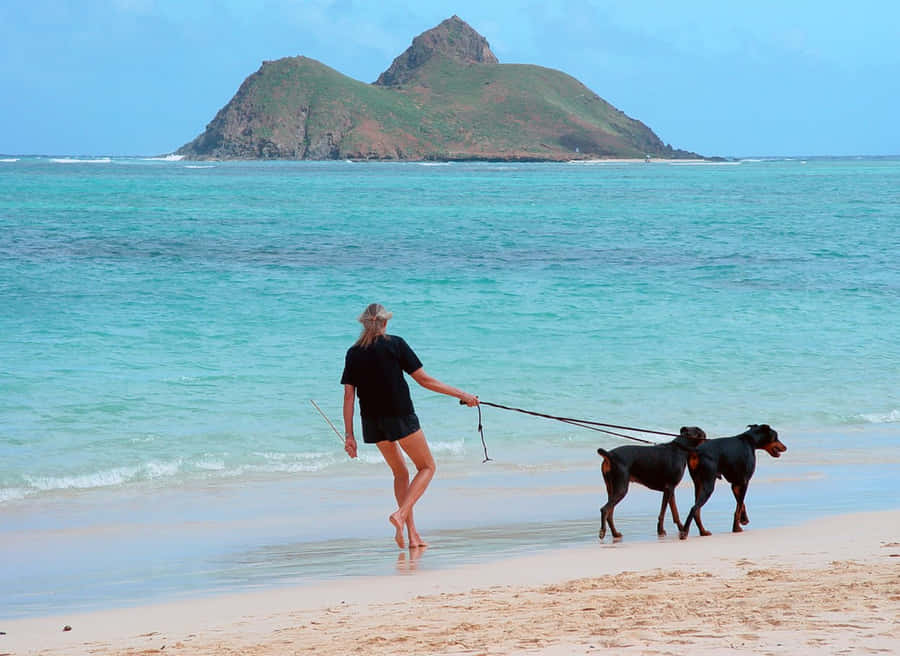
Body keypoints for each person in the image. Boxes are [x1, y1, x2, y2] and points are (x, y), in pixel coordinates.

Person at [341, 303, 478, 549]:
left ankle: (413, 535)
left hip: (371, 422)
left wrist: (349, 435)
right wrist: (464, 395)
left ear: (364, 323)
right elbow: (424, 380)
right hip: (400, 416)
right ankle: (401, 514)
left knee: (400, 473)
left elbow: (349, 397)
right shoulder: (395, 344)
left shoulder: (353, 353)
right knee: (427, 467)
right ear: (385, 322)